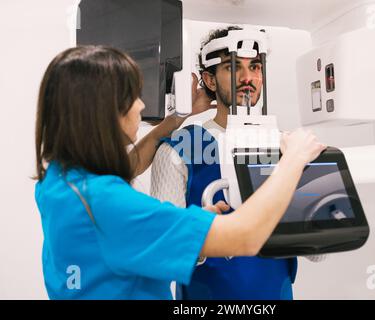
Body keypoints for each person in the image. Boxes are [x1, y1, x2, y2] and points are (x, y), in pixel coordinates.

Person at [34, 45, 326, 299]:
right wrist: (292, 162)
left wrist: (174, 120)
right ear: (101, 111)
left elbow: (319, 249)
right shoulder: (115, 199)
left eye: (255, 66)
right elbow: (245, 237)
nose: (142, 105)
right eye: (132, 95)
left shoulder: (58, 181)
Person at [150, 26, 321, 300]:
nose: (247, 78)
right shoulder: (179, 149)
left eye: (255, 66)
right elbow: (164, 252)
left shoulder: (288, 147)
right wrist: (203, 241)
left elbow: (319, 254)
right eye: (233, 67)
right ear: (210, 79)